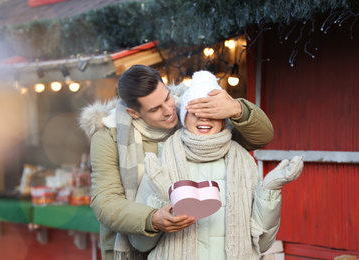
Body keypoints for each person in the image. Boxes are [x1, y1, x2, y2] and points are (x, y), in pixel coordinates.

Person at [78, 65, 275, 260]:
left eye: (167, 98)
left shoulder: (189, 113)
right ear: (134, 113)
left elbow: (260, 138)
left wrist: (237, 108)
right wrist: (152, 219)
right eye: (155, 109)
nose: (169, 111)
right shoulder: (109, 135)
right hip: (133, 248)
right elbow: (105, 201)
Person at [128, 70, 304, 259]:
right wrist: (159, 202)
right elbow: (140, 243)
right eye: (195, 111)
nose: (204, 118)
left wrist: (270, 191)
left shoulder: (244, 163)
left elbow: (262, 243)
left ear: (224, 118)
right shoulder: (161, 164)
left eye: (212, 112)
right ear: (184, 118)